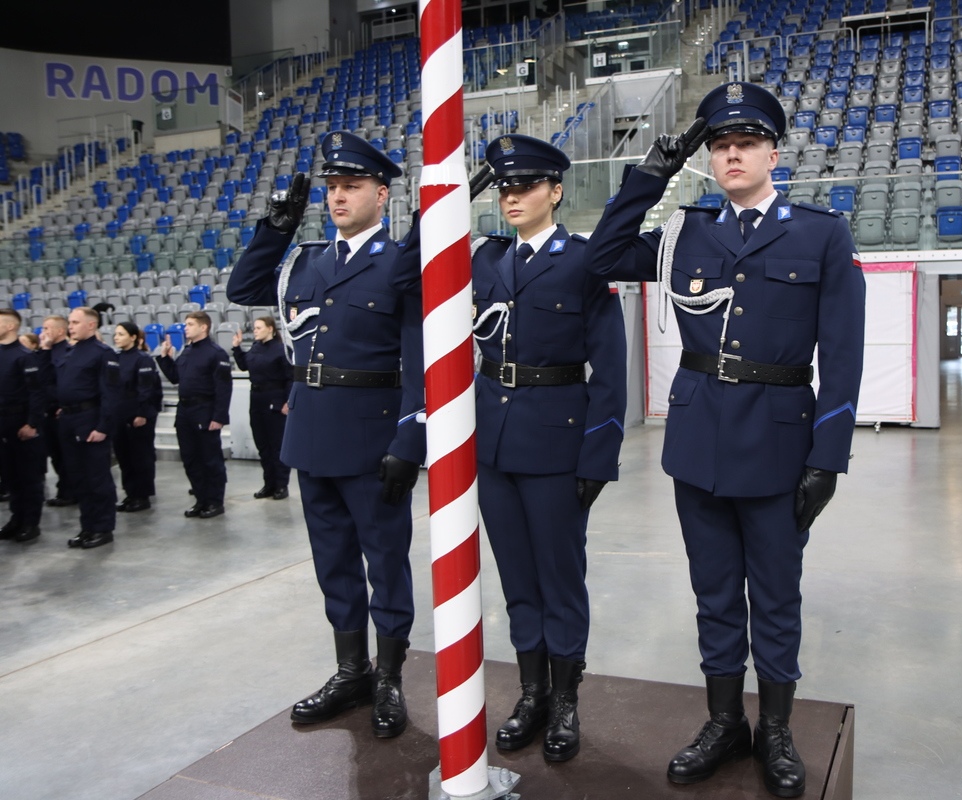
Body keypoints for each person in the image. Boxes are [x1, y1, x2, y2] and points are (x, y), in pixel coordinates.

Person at [582, 82, 866, 798]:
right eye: (720, 145)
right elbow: (602, 257)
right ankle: (721, 721)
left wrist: (828, 459)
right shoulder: (687, 232)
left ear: (774, 150)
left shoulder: (820, 235)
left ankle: (773, 729)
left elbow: (844, 353)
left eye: (745, 142)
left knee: (774, 594)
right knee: (713, 593)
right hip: (699, 441)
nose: (732, 153)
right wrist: (650, 174)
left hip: (779, 444)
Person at [226, 131, 425, 739]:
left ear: (380, 194)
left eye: (352, 186)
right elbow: (242, 289)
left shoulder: (401, 260)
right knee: (332, 561)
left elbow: (418, 358)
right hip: (312, 434)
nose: (339, 196)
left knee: (385, 562)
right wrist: (277, 227)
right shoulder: (305, 260)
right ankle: (351, 672)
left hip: (372, 438)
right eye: (333, 187)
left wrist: (409, 439)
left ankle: (389, 680)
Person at [462, 135, 626, 762]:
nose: (512, 197)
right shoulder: (484, 261)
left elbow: (610, 370)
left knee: (560, 577)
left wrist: (598, 456)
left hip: (557, 440)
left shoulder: (584, 261)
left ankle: (564, 700)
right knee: (517, 577)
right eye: (503, 187)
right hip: (494, 445)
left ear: (555, 191)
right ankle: (531, 691)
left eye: (526, 186)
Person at [156, 311, 232, 518]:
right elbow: (175, 378)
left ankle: (215, 502)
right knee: (190, 459)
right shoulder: (187, 351)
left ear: (203, 327)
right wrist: (165, 358)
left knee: (210, 459)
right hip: (185, 412)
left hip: (205, 411)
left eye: (190, 324)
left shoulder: (216, 353)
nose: (185, 328)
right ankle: (201, 499)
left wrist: (219, 417)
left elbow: (224, 388)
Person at [56, 307, 121, 549]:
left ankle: (103, 528)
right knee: (78, 477)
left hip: (90, 419)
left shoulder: (102, 354)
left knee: (97, 478)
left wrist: (103, 426)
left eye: (75, 322)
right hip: (69, 420)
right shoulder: (70, 352)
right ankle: (87, 526)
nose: (70, 326)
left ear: (91, 325)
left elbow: (111, 393)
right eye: (70, 322)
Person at [231, 316, 292, 500]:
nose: (255, 331)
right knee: (262, 445)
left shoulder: (281, 350)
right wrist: (236, 348)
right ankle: (269, 484)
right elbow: (244, 366)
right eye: (255, 328)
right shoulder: (256, 348)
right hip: (256, 399)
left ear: (270, 329)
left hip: (275, 399)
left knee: (277, 446)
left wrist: (287, 402)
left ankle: (281, 485)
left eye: (258, 327)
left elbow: (290, 378)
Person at [0, 308, 47, 543]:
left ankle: (30, 522)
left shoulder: (24, 355)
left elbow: (36, 393)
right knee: (10, 476)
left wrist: (32, 423)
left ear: (10, 326)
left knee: (28, 476)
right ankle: (16, 519)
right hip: (2, 423)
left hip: (20, 421)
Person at [111, 321, 163, 512]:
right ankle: (130, 493)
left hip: (138, 415)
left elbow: (146, 389)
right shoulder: (115, 359)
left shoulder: (142, 359)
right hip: (120, 414)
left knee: (140, 456)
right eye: (116, 334)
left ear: (133, 337)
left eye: (121, 334)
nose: (117, 338)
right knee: (124, 456)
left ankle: (142, 495)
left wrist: (141, 413)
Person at [38, 315, 75, 508]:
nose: (43, 333)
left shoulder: (68, 352)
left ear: (61, 331)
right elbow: (40, 379)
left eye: (47, 329)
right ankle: (65, 489)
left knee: (65, 455)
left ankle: (69, 491)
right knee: (55, 454)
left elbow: (66, 382)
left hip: (61, 411)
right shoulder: (45, 352)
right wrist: (44, 349)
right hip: (47, 411)